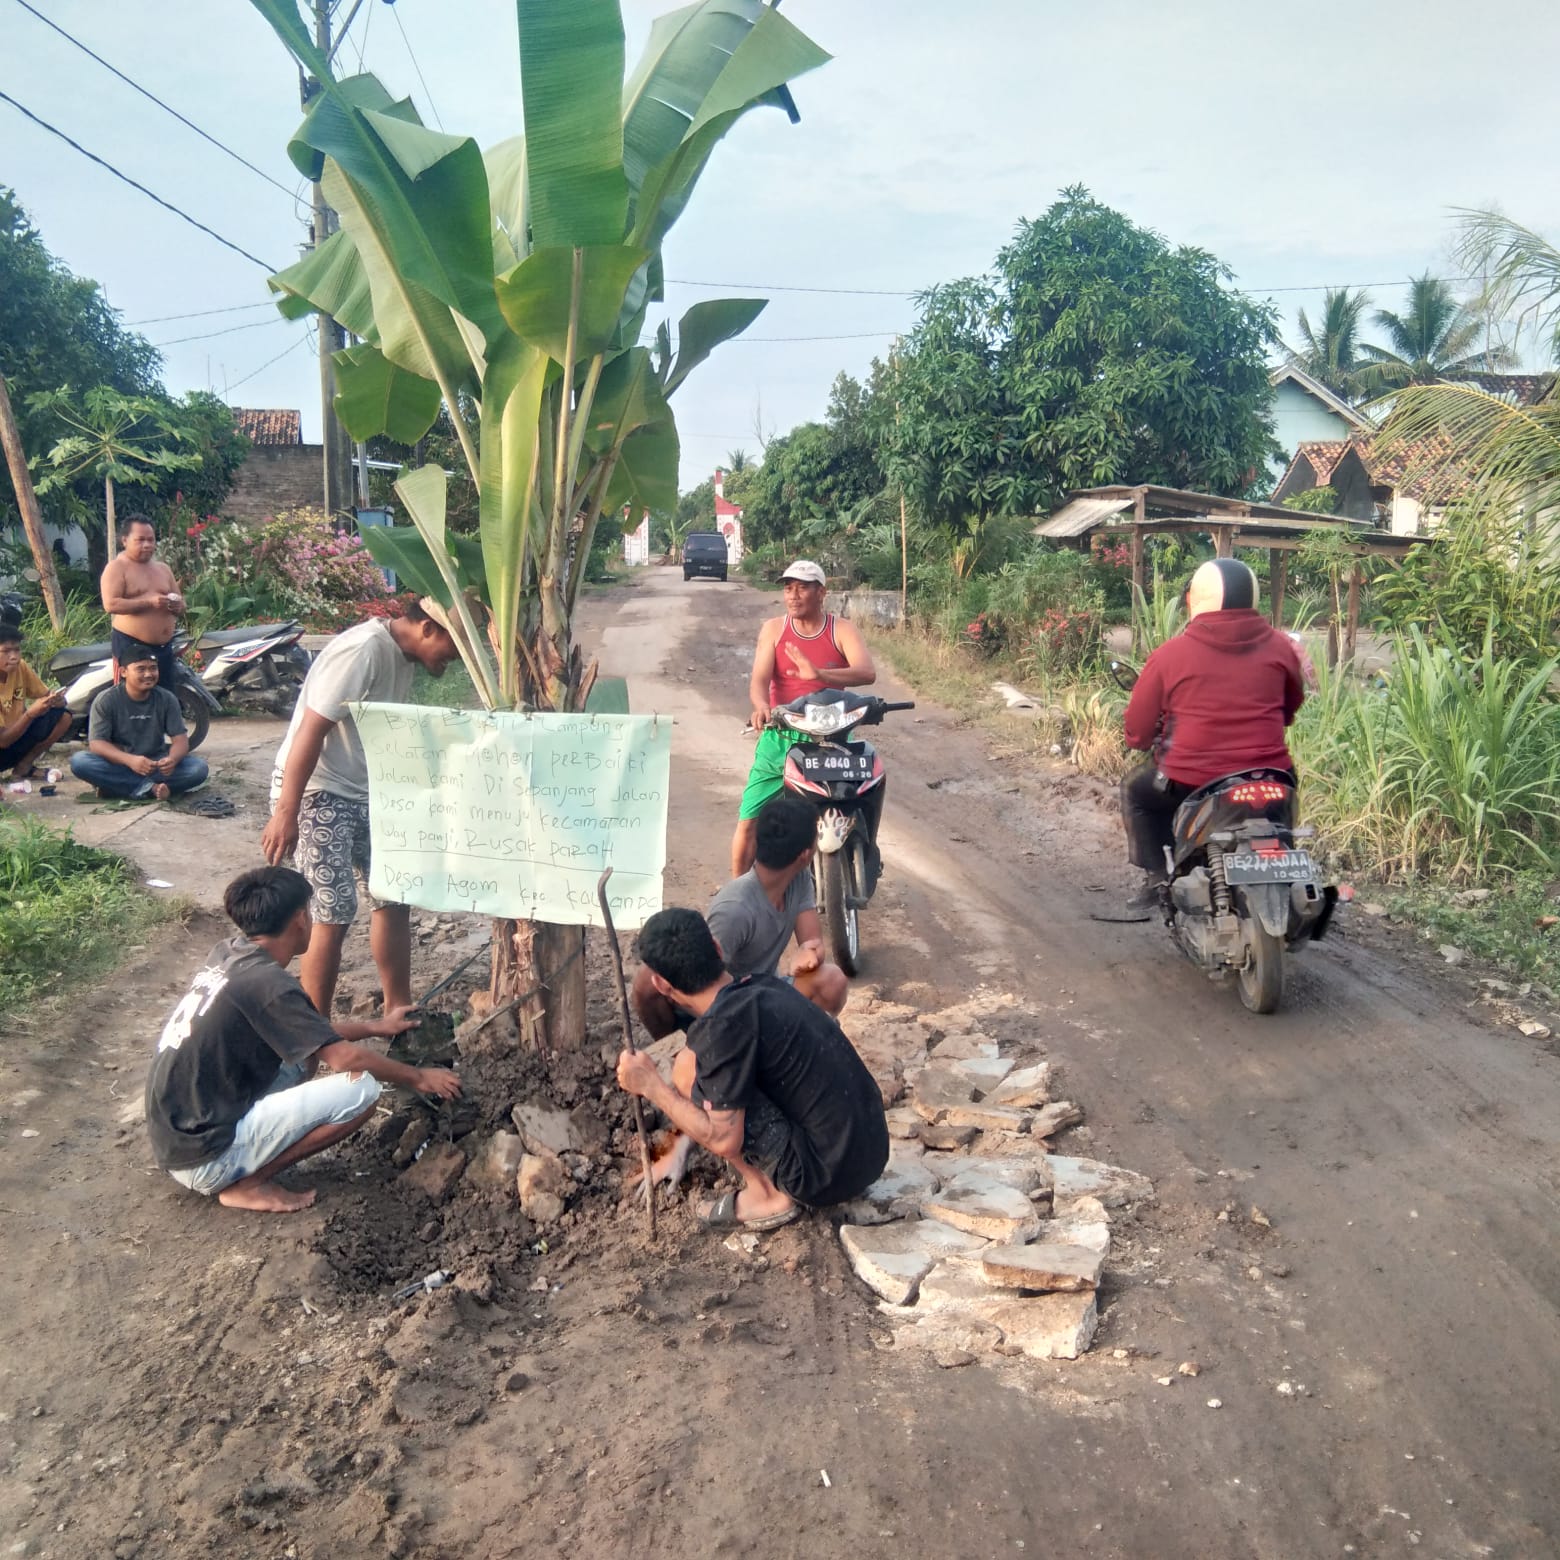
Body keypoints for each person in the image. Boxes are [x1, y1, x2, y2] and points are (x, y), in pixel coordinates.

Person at [145, 866, 461, 1214]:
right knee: (362, 1091)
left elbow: (310, 1033)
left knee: (303, 1059)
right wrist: (418, 1076)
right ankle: (248, 1183)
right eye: (309, 912)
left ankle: (246, 1156)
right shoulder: (269, 984)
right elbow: (345, 1060)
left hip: (177, 1134)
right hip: (202, 1156)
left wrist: (377, 1026)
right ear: (299, 919)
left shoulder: (230, 954)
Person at [616, 907, 888, 1232]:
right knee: (695, 1062)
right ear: (717, 949)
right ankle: (775, 1181)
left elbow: (723, 1140)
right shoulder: (762, 987)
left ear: (661, 984)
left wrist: (653, 1088)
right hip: (872, 1152)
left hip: (826, 1177)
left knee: (687, 1071)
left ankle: (767, 1195)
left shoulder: (721, 1031)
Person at [261, 599, 459, 1022]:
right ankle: (316, 1029)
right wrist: (286, 810)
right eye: (452, 645)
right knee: (331, 909)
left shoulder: (403, 655)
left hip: (369, 791)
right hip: (319, 789)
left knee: (393, 893)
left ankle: (398, 1007)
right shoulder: (363, 651)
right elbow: (311, 731)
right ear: (427, 628)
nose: (453, 658)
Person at [1118, 558, 1305, 911]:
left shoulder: (1169, 655)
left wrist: (1139, 741)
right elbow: (1290, 707)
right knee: (1285, 799)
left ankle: (1158, 875)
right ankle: (1283, 857)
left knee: (1137, 792)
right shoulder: (1282, 648)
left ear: (1195, 600)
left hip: (1190, 779)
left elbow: (1139, 729)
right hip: (1270, 775)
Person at [631, 793, 847, 1040]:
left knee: (832, 981)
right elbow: (689, 982)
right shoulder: (735, 909)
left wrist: (810, 953)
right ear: (805, 854)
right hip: (724, 1003)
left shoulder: (798, 880)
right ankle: (697, 1043)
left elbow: (813, 942)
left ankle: (782, 1040)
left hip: (761, 991)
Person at [732, 559, 875, 877]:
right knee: (749, 824)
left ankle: (864, 854)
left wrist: (821, 674)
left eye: (803, 587)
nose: (793, 595)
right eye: (788, 588)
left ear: (822, 592)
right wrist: (760, 706)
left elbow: (867, 672)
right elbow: (759, 680)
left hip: (831, 739)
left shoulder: (841, 629)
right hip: (781, 735)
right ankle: (736, 897)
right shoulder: (774, 629)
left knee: (857, 796)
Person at [70, 642, 208, 800]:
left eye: (153, 668)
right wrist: (131, 761)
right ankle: (150, 788)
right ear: (123, 672)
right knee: (80, 762)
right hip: (120, 764)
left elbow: (181, 740)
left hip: (155, 764)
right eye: (141, 669)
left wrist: (172, 760)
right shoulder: (106, 700)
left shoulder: (167, 698)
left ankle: (121, 787)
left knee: (198, 768)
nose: (149, 674)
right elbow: (97, 744)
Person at [100, 514, 183, 689]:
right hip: (131, 644)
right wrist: (149, 603)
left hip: (164, 647)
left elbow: (181, 603)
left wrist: (177, 605)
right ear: (125, 540)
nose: (147, 545)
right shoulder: (117, 568)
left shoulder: (163, 569)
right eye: (140, 540)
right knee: (132, 698)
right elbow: (111, 604)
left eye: (151, 540)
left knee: (165, 697)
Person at [0, 621, 70, 779]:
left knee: (63, 716)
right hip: (3, 742)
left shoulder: (20, 667)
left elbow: (45, 694)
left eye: (17, 650)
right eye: (5, 651)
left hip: (15, 736)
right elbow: (2, 741)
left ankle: (23, 767)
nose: (14, 657)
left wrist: (57, 700)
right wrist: (30, 714)